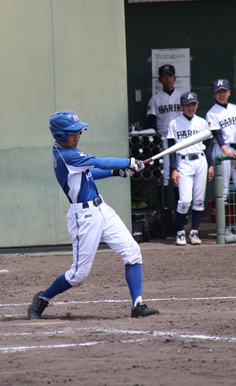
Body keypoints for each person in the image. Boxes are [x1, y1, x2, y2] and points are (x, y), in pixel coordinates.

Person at [27, 111, 159, 320]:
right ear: (60, 134)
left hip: (101, 208)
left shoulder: (70, 151)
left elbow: (88, 173)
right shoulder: (66, 155)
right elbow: (101, 162)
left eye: (79, 132)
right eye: (72, 133)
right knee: (78, 276)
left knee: (132, 251)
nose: (77, 136)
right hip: (84, 217)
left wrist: (117, 172)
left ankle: (138, 305)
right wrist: (128, 162)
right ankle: (42, 299)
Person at [167, 92, 214, 246]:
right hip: (183, 162)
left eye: (193, 104)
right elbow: (171, 149)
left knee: (199, 200)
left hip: (200, 160)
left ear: (197, 105)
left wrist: (211, 164)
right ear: (181, 106)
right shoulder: (174, 123)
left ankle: (194, 231)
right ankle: (180, 232)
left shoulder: (202, 122)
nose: (190, 107)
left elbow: (207, 146)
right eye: (187, 105)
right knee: (184, 201)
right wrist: (173, 169)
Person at [206, 79, 236, 236]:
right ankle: (224, 227)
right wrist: (227, 153)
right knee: (223, 192)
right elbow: (218, 135)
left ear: (229, 92)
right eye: (218, 92)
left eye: (224, 91)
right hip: (222, 151)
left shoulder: (235, 109)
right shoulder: (211, 112)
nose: (221, 94)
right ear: (213, 94)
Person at [147, 64, 183, 209]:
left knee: (180, 172)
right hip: (164, 139)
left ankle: (179, 208)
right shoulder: (155, 99)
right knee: (166, 174)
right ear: (160, 79)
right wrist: (158, 143)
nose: (167, 79)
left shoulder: (181, 97)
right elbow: (152, 123)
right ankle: (165, 209)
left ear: (175, 78)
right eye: (164, 76)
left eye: (170, 76)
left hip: (180, 138)